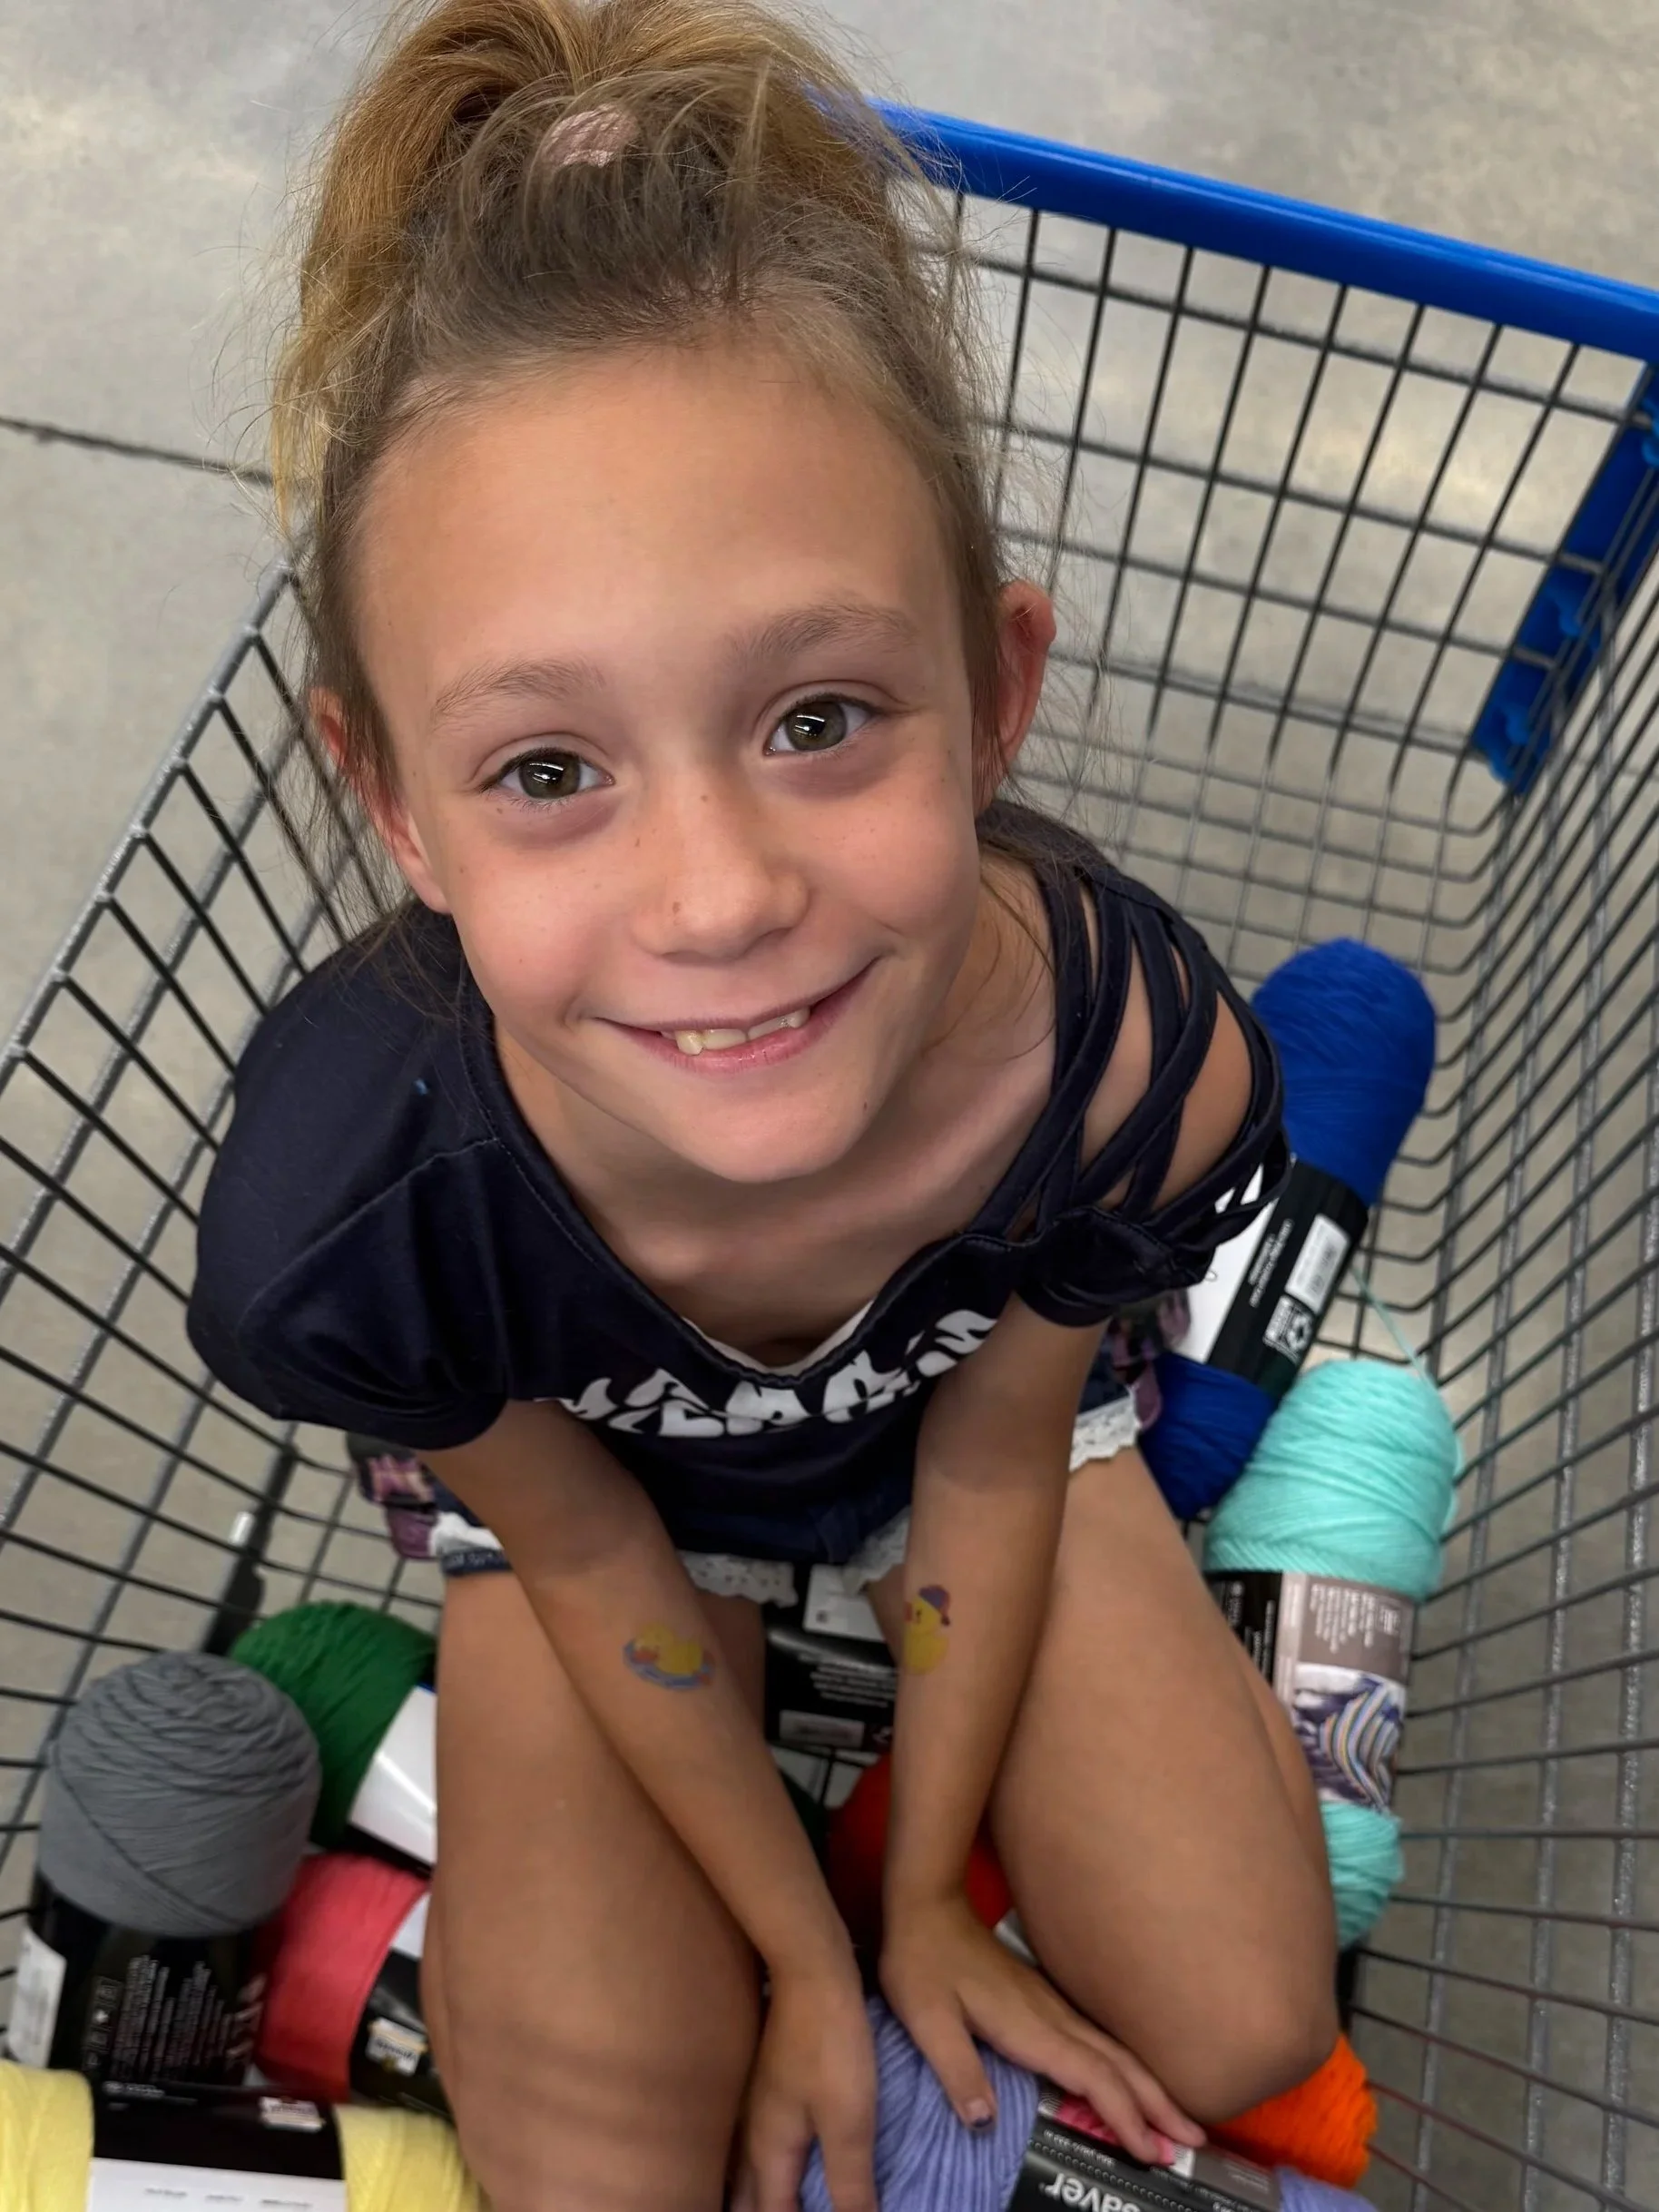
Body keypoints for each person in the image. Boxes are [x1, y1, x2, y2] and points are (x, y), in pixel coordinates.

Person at [188, 5, 1338, 2207]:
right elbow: (595, 1533)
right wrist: (805, 1947)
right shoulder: (359, 1219)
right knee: (598, 2170)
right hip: (593, 1510)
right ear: (393, 803)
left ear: (995, 692)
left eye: (819, 716)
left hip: (970, 1452)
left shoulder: (1127, 1067)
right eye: (546, 770)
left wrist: (916, 1914)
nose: (718, 900)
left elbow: (993, 1446)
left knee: (1241, 2017)